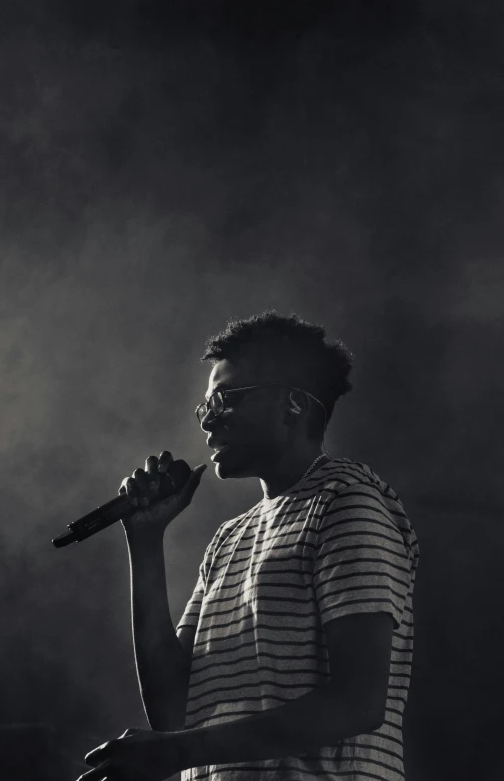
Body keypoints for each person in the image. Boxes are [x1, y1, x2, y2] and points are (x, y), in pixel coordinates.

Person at [80, 310, 419, 781]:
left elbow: (356, 703)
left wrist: (175, 754)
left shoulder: (347, 503)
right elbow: (175, 713)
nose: (208, 423)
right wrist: (145, 538)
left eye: (225, 400)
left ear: (293, 405)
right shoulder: (228, 539)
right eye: (205, 407)